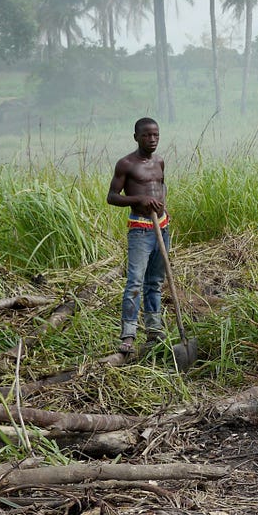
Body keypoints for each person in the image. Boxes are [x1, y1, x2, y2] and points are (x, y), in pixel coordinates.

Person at [107, 118, 168, 355]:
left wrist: (164, 208)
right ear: (136, 137)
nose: (152, 140)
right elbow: (112, 197)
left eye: (155, 135)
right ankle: (128, 336)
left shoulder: (160, 161)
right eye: (146, 136)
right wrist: (139, 200)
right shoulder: (126, 164)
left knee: (155, 282)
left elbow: (162, 186)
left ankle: (154, 331)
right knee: (135, 282)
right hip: (140, 228)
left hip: (161, 227)